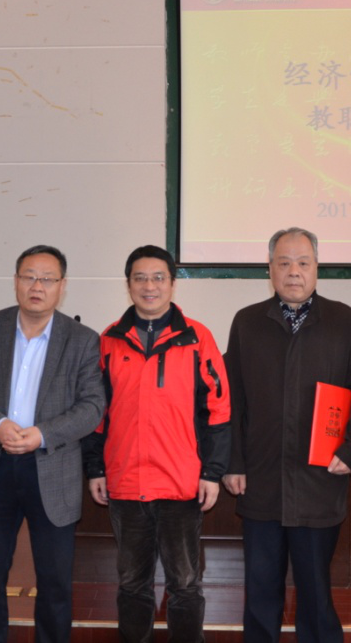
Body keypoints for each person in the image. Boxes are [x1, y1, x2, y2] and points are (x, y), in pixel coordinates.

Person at [223, 227, 351, 643]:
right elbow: (232, 400)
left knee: (316, 594)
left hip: (319, 479)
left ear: (316, 268)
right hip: (261, 479)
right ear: (270, 269)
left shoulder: (346, 322)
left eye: (303, 263)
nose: (294, 271)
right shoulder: (247, 322)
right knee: (260, 593)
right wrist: (233, 462)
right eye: (284, 263)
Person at [0, 245, 106, 643]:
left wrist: (42, 433)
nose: (37, 286)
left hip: (51, 470)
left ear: (62, 286)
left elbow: (92, 406)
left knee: (54, 586)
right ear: (16, 281)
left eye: (47, 279)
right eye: (29, 277)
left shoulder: (82, 340)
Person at [83, 245, 231, 643]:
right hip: (125, 482)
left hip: (181, 484)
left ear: (172, 283)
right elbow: (96, 412)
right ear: (128, 284)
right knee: (132, 583)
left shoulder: (197, 338)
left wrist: (212, 473)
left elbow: (219, 409)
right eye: (140, 278)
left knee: (185, 583)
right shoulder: (109, 340)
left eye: (158, 278)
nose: (149, 286)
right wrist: (95, 467)